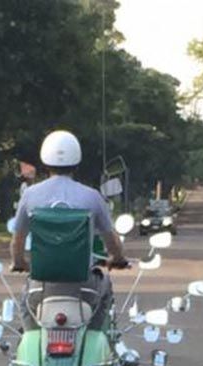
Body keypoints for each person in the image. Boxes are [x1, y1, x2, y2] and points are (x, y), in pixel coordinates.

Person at [10, 130, 129, 330]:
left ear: (45, 161)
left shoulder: (30, 195)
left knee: (25, 304)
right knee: (105, 290)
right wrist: (117, 258)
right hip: (86, 287)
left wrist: (20, 262)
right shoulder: (92, 196)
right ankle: (95, 334)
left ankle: (30, 339)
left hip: (41, 286)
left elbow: (17, 241)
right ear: (76, 162)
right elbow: (111, 240)